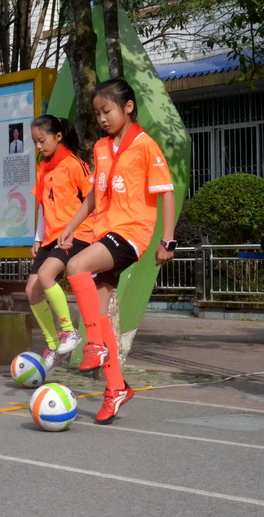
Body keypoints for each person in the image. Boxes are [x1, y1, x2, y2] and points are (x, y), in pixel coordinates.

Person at [59, 79, 177, 424]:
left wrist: (167, 241)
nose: (102, 118)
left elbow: (166, 192)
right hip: (104, 230)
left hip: (131, 233)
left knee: (76, 266)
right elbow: (95, 194)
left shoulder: (145, 145)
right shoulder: (100, 148)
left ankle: (92, 344)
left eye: (107, 110)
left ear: (128, 107)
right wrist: (71, 225)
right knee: (98, 310)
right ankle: (116, 388)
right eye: (97, 113)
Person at [27, 115, 91, 371]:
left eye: (41, 140)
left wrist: (74, 229)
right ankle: (54, 346)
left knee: (45, 275)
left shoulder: (75, 164)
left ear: (58, 136)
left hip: (78, 234)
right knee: (31, 291)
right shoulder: (43, 167)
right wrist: (37, 237)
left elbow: (93, 201)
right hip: (51, 237)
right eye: (35, 142)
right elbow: (44, 206)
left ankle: (69, 331)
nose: (39, 146)